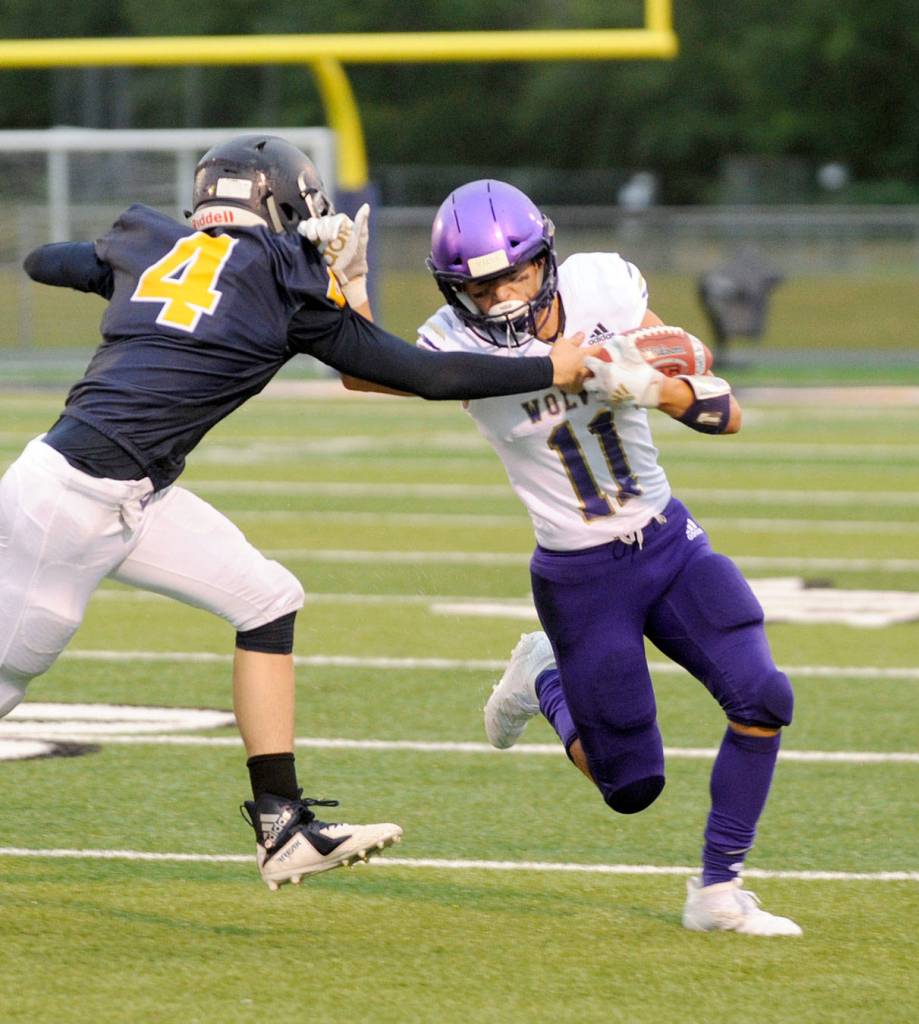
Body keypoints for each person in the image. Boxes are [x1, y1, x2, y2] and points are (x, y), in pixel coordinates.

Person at [0, 140, 594, 892]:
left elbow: (43, 262)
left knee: (267, 598)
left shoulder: (153, 244)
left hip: (122, 488)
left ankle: (282, 829)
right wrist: (549, 366)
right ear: (286, 205)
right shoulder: (286, 279)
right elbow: (421, 374)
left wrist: (122, 277)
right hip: (72, 504)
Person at [412, 179, 801, 935]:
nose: (497, 300)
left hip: (665, 542)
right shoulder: (450, 346)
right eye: (477, 287)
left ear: (545, 260)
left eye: (512, 276)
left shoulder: (602, 286)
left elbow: (719, 402)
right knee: (628, 786)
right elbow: (366, 370)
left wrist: (651, 386)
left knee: (763, 698)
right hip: (580, 574)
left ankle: (717, 891)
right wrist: (345, 286)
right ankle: (542, 676)